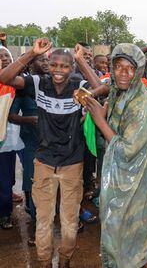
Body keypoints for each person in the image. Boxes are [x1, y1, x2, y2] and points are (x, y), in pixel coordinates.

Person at [0, 38, 102, 268]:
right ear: (47, 63)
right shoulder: (38, 83)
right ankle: (45, 262)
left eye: (65, 66)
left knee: (69, 223)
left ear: (71, 68)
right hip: (44, 163)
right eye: (53, 64)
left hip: (72, 164)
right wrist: (31, 53)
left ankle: (65, 259)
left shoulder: (78, 86)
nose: (58, 70)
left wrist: (81, 61)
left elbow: (101, 87)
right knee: (43, 221)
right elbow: (4, 78)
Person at [84, 43, 147, 268]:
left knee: (141, 235)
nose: (124, 73)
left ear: (139, 71)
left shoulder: (141, 103)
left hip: (143, 179)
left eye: (130, 68)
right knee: (126, 233)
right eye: (118, 66)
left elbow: (127, 149)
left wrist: (100, 120)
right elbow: (106, 91)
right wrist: (94, 102)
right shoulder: (121, 90)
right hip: (128, 173)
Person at [8, 52, 49, 244]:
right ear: (31, 66)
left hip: (52, 143)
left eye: (48, 59)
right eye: (41, 60)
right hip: (32, 142)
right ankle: (35, 224)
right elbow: (11, 115)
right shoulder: (23, 88)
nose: (46, 63)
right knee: (33, 182)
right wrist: (29, 120)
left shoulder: (54, 83)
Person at [0, 46, 25, 230]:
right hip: (4, 138)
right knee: (5, 176)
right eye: (0, 56)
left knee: (32, 172)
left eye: (7, 55)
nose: (4, 58)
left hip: (24, 135)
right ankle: (5, 213)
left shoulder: (21, 80)